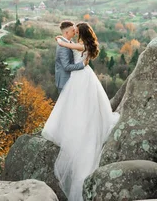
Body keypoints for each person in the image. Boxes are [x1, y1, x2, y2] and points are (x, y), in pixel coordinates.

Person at [42, 22, 120, 201]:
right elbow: (66, 45)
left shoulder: (80, 45)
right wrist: (62, 37)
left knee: (78, 103)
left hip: (81, 75)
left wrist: (60, 39)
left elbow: (65, 45)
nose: (74, 31)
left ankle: (78, 126)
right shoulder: (84, 44)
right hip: (83, 76)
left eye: (77, 30)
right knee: (81, 103)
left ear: (81, 33)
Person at [53, 21, 86, 92]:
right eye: (73, 30)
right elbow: (66, 67)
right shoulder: (63, 47)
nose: (75, 32)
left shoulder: (67, 42)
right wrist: (82, 64)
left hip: (71, 79)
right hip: (64, 81)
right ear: (67, 32)